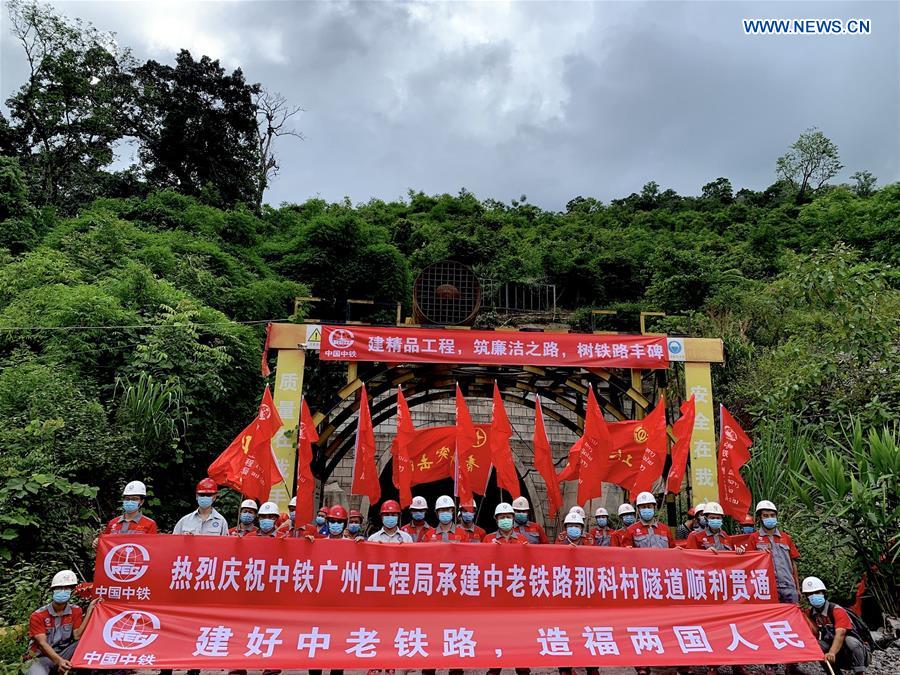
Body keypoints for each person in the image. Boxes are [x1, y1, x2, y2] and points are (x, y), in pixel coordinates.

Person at [748, 500, 802, 675]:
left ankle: (792, 663)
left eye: (772, 515)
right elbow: (747, 563)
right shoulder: (754, 538)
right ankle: (770, 664)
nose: (770, 518)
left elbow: (793, 563)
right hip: (766, 588)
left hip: (788, 586)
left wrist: (797, 586)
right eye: (766, 516)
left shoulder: (785, 537)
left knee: (793, 625)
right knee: (769, 626)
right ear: (760, 518)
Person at [26, 570, 101, 675]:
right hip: (41, 658)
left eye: (66, 588)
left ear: (71, 591)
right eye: (59, 588)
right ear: (53, 590)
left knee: (87, 642)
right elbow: (42, 644)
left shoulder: (76, 611)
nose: (62, 591)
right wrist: (59, 661)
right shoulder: (38, 615)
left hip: (64, 653)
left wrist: (89, 611)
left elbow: (77, 636)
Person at [802, 576, 869, 675]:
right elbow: (814, 633)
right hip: (837, 654)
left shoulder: (837, 610)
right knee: (817, 644)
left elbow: (841, 633)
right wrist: (804, 615)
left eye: (817, 593)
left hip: (854, 652)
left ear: (824, 593)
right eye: (810, 594)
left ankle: (860, 672)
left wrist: (832, 652)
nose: (814, 596)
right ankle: (834, 673)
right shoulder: (810, 613)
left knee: (851, 641)